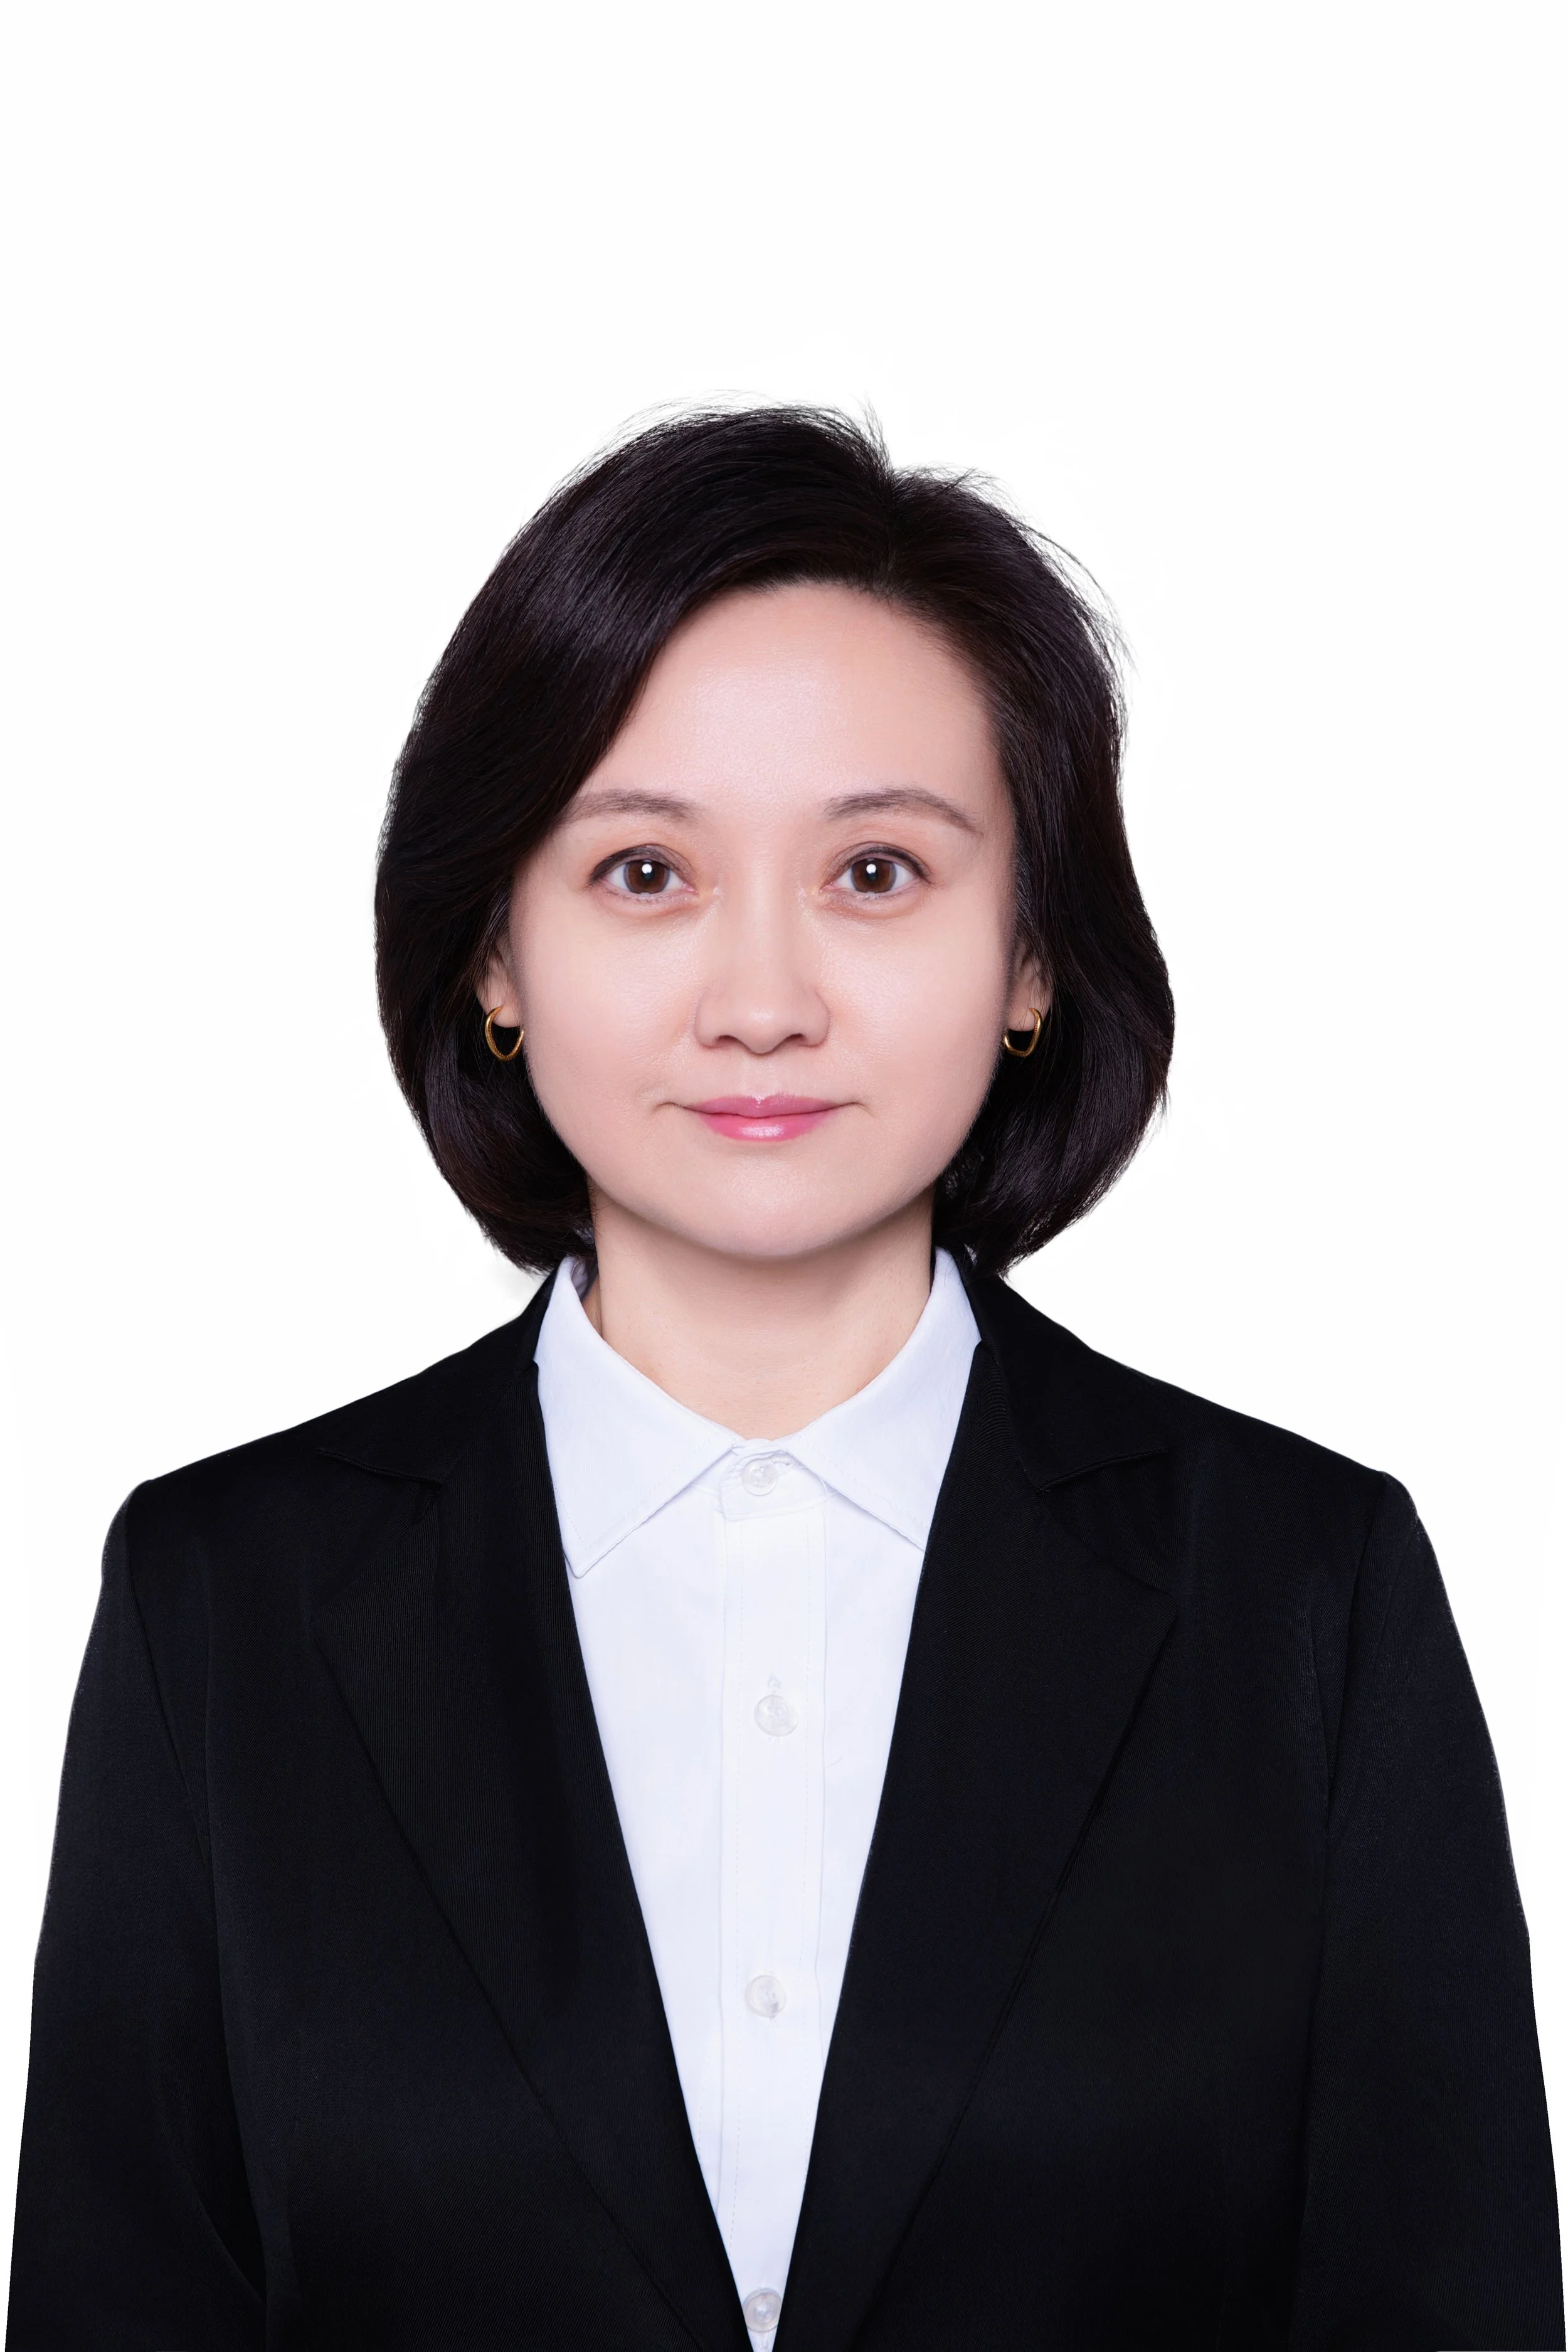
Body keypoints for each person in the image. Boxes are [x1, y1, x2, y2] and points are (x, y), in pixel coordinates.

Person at [7, 408, 1560, 2351]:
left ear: (1029, 956)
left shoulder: (1302, 1592)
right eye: (644, 871)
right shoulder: (224, 1594)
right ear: (496, 948)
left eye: (879, 871)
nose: (760, 997)